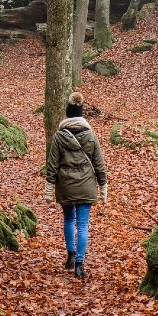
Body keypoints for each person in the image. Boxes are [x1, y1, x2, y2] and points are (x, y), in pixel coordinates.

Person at [44, 91, 107, 279]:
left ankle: (70, 256)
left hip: (65, 185)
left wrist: (49, 190)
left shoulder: (58, 137)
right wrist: (103, 188)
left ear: (68, 113)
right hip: (86, 185)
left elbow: (52, 165)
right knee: (83, 224)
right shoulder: (91, 136)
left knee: (69, 220)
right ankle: (80, 264)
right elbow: (99, 164)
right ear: (81, 113)